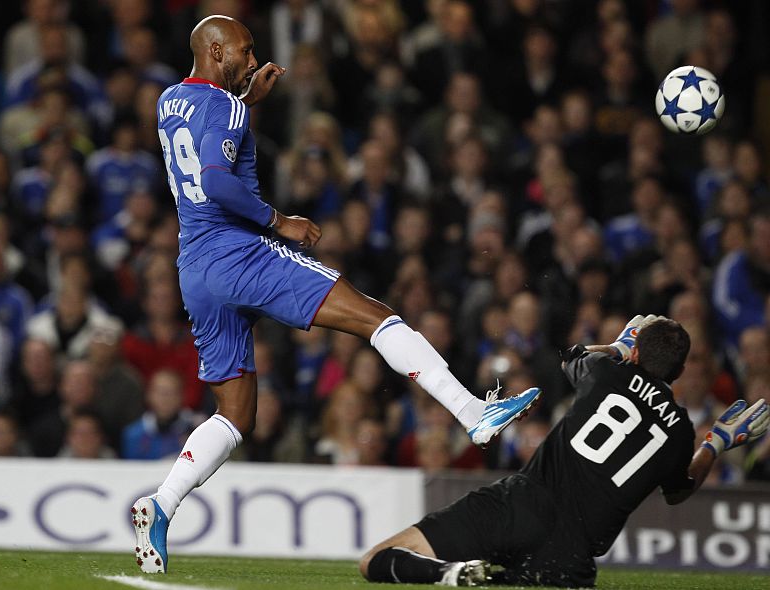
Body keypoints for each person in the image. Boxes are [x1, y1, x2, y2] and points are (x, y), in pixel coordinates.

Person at [131, 15, 541, 575]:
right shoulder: (225, 108)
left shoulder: (169, 100)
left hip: (195, 267)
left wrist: (247, 102)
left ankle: (161, 504)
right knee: (375, 316)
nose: (253, 61)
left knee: (236, 415)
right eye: (246, 52)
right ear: (218, 49)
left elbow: (205, 139)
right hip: (239, 252)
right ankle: (473, 412)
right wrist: (282, 221)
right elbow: (219, 180)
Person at [359, 316, 769, 587]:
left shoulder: (608, 372)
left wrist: (618, 347)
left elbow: (572, 358)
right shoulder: (680, 433)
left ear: (638, 353)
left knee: (375, 560)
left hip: (518, 505)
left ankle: (448, 574)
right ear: (679, 372)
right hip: (569, 556)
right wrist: (714, 444)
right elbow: (678, 491)